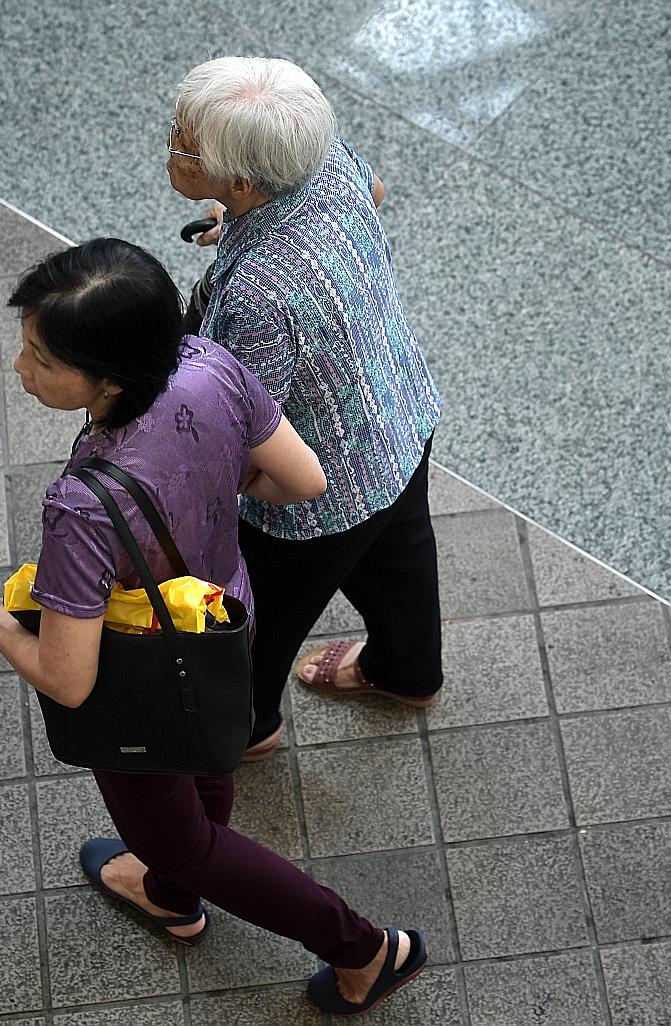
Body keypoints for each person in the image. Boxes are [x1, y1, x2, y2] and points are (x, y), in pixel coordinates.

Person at [0, 238, 426, 1016]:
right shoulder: (209, 365)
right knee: (210, 754)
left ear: (108, 377)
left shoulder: (83, 509)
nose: (21, 369)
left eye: (42, 359)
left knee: (183, 838)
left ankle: (363, 948)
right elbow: (304, 478)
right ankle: (171, 895)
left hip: (142, 676)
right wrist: (212, 484)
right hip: (222, 624)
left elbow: (71, 678)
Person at [167, 57, 444, 761]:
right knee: (400, 557)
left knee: (259, 616)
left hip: (316, 493)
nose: (170, 147)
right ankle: (407, 672)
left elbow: (245, 424)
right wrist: (238, 223)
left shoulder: (260, 293)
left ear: (240, 180)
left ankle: (249, 727)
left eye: (182, 142)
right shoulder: (320, 161)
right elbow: (373, 189)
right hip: (399, 413)